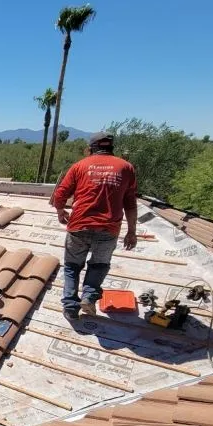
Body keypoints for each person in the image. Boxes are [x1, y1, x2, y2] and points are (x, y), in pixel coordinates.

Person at [51, 131, 138, 320]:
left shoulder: (80, 166)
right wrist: (132, 232)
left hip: (79, 226)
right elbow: (130, 203)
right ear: (111, 148)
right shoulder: (126, 168)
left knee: (72, 267)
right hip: (109, 229)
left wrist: (60, 211)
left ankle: (71, 307)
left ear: (90, 149)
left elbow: (60, 194)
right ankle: (89, 297)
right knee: (99, 266)